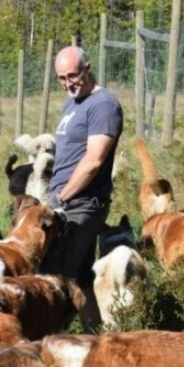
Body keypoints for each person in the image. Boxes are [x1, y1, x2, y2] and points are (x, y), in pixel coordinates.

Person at [42, 45, 123, 332]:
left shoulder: (103, 105)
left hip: (81, 204)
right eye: (61, 78)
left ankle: (50, 344)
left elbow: (93, 161)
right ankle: (95, 339)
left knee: (55, 276)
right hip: (67, 201)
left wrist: (61, 198)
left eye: (73, 75)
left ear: (87, 68)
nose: (68, 83)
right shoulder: (73, 102)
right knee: (81, 276)